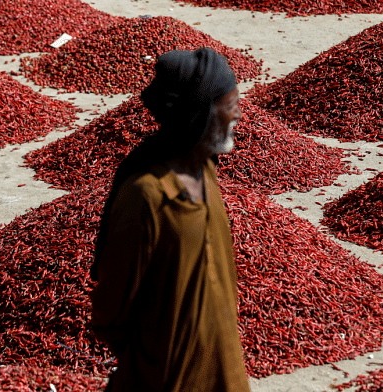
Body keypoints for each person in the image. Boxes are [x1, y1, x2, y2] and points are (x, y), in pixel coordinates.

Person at [89, 47, 250, 392]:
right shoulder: (146, 195)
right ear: (202, 114)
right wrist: (158, 352)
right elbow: (111, 308)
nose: (238, 115)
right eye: (230, 104)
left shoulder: (207, 172)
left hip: (225, 372)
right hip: (164, 378)